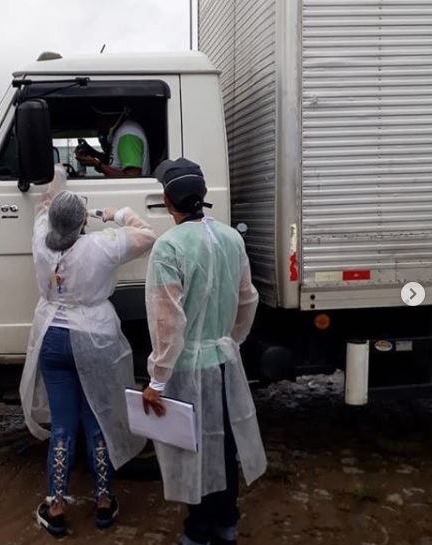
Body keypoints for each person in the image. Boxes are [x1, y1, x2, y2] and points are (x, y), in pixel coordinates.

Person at [19, 164, 157, 538]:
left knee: (63, 425)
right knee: (97, 418)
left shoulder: (40, 242)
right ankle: (104, 501)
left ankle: (56, 506)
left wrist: (55, 177)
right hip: (94, 338)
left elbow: (43, 207)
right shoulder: (101, 245)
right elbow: (147, 234)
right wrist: (115, 214)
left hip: (52, 337)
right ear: (83, 222)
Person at [141, 158, 267, 545]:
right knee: (223, 443)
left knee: (191, 447)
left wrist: (157, 380)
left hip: (186, 367)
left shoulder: (169, 247)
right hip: (223, 360)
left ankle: (198, 530)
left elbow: (168, 322)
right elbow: (248, 298)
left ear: (167, 201)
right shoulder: (231, 238)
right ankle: (226, 524)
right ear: (204, 194)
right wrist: (231, 341)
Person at [75, 106, 150, 177]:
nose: (98, 123)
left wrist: (97, 164)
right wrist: (94, 153)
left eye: (99, 118)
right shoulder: (121, 132)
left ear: (108, 117)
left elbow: (132, 178)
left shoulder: (127, 135)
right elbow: (114, 164)